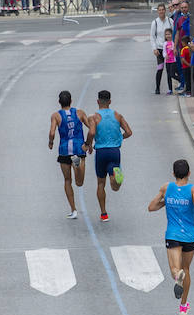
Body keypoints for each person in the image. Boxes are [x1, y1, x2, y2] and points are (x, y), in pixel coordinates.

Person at [148, 158, 194, 315]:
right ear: (189, 173)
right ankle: (183, 306)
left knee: (175, 269)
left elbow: (151, 207)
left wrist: (166, 201)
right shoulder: (193, 188)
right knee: (186, 269)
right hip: (189, 235)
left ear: (173, 173)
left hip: (173, 235)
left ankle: (176, 275)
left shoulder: (167, 188)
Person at [87, 88, 132, 223]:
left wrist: (87, 144)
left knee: (101, 183)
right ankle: (115, 175)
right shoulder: (117, 115)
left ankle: (104, 213)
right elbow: (129, 132)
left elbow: (92, 133)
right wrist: (119, 139)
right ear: (110, 101)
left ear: (97, 101)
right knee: (114, 184)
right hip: (114, 151)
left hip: (101, 152)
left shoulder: (93, 117)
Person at [48, 90, 92, 218]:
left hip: (64, 150)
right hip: (79, 148)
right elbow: (91, 128)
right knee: (80, 183)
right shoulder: (80, 113)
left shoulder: (56, 116)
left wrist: (51, 142)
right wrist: (89, 144)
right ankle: (77, 165)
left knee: (67, 180)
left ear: (59, 102)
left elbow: (52, 133)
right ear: (71, 101)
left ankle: (73, 210)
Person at [150, 3, 173, 95]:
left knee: (169, 69)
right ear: (157, 11)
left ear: (165, 10)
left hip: (169, 49)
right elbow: (152, 36)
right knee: (160, 68)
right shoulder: (155, 22)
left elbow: (174, 33)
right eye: (159, 10)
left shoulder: (170, 21)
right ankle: (157, 88)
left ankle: (170, 88)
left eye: (163, 10)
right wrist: (154, 48)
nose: (161, 12)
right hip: (160, 49)